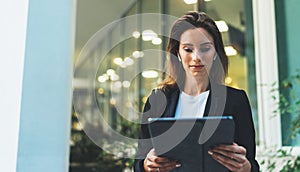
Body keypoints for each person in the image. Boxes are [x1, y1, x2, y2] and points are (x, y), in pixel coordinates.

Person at [133, 11, 259, 172]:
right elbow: (138, 164)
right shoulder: (158, 99)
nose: (196, 57)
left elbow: (252, 165)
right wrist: (146, 165)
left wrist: (245, 167)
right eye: (188, 49)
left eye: (205, 48)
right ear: (177, 53)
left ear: (215, 53)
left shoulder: (235, 100)